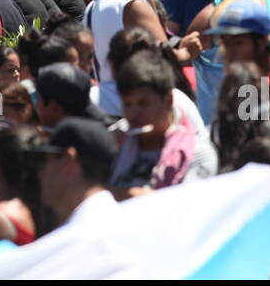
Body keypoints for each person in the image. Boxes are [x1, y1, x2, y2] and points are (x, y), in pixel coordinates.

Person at [109, 52, 218, 197]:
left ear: (168, 100)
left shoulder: (196, 153)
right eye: (127, 104)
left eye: (143, 104)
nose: (134, 113)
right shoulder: (115, 145)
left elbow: (183, 206)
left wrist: (113, 194)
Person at [84, 0, 169, 116]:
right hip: (139, 106)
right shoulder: (134, 4)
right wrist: (187, 53)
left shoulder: (91, 7)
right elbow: (165, 54)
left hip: (105, 104)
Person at [32, 118, 120, 231]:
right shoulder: (130, 225)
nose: (40, 172)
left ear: (68, 160)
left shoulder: (67, 242)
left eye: (45, 160)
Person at [35, 62, 111, 127]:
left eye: (38, 99)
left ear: (56, 108)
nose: (36, 106)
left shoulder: (68, 142)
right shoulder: (116, 132)